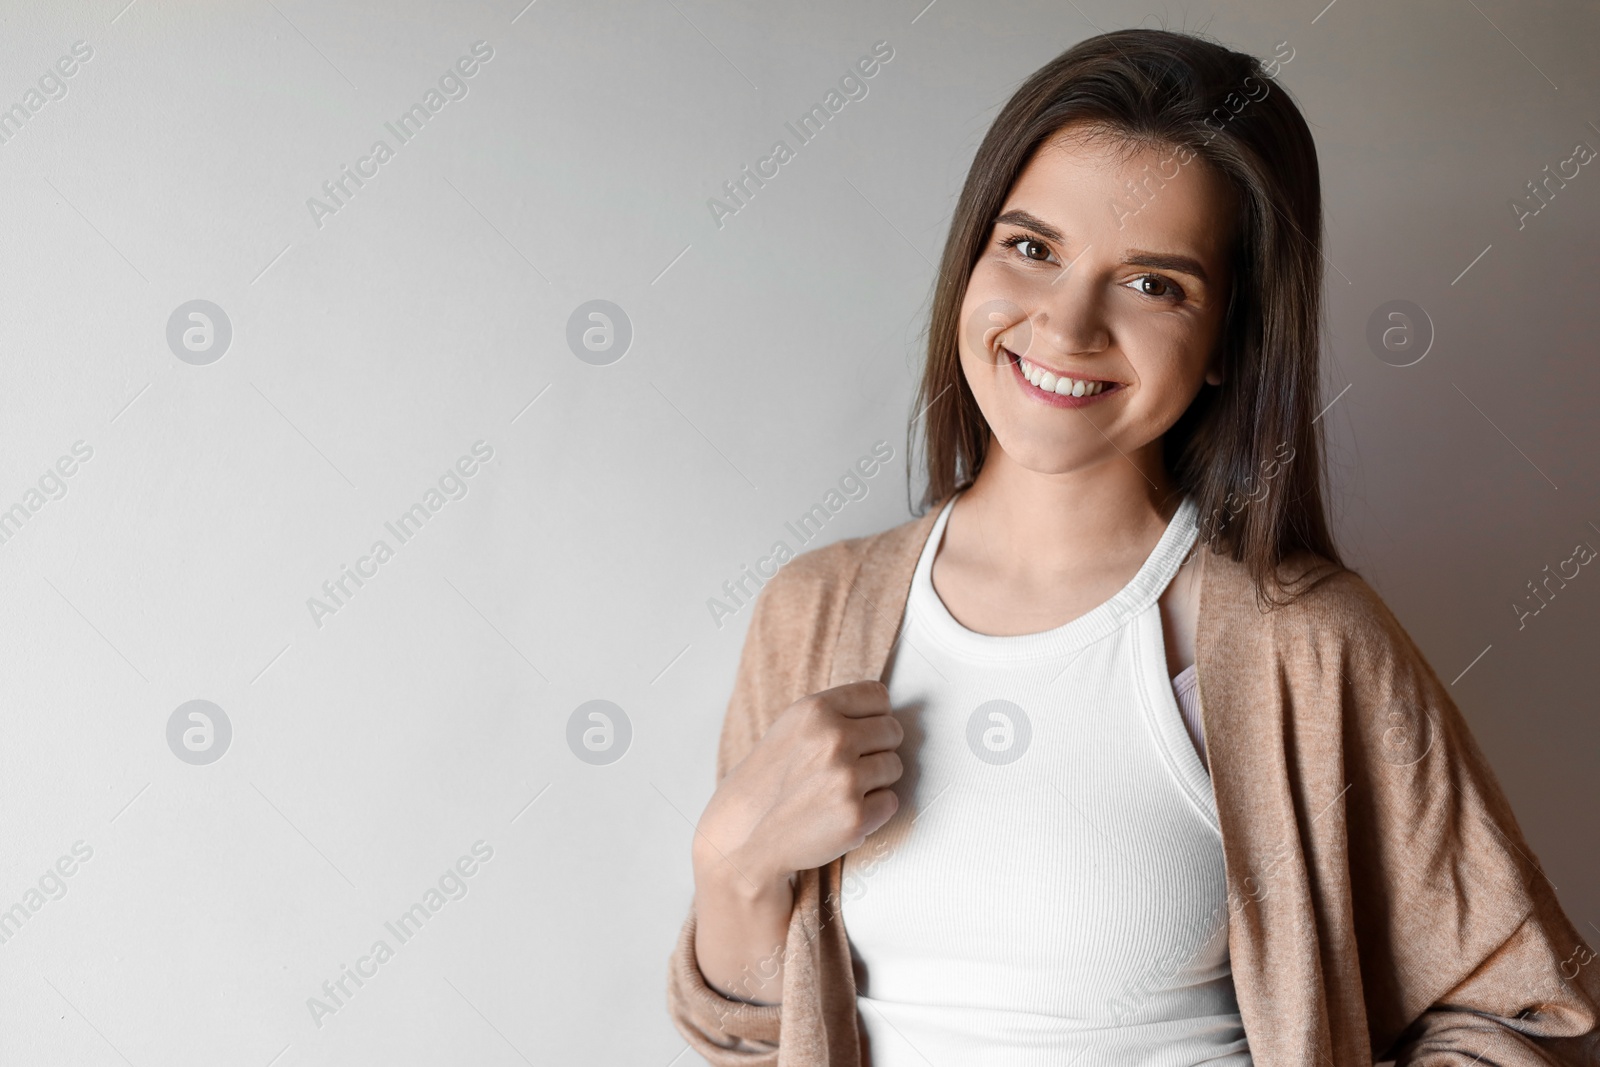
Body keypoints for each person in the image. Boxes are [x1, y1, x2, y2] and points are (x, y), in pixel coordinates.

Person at [667, 27, 1600, 1066]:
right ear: (972, 257)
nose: (1066, 325)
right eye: (1031, 247)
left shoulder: (1304, 642)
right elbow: (752, 1038)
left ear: (1225, 345)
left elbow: (1529, 1012)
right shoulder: (812, 612)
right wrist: (731, 865)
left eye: (1152, 283)